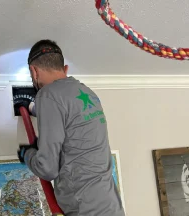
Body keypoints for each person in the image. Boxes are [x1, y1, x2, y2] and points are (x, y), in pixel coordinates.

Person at [16, 39, 125, 216]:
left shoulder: (47, 95)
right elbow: (68, 116)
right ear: (65, 69)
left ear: (33, 71)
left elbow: (47, 168)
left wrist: (27, 154)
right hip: (110, 205)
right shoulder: (88, 93)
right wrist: (33, 109)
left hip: (85, 208)